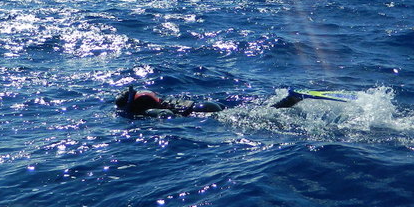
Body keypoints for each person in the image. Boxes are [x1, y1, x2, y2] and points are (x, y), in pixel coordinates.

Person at [114, 86, 308, 117]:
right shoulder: (145, 100)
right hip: (204, 105)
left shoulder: (145, 110)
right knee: (252, 111)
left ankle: (290, 101)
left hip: (202, 112)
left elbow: (164, 113)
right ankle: (290, 100)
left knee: (253, 116)